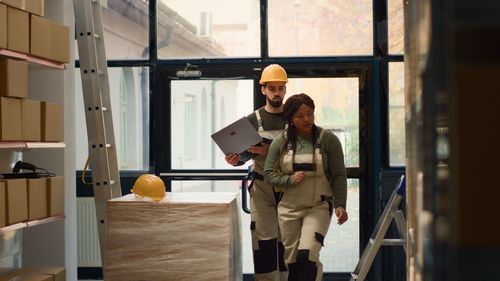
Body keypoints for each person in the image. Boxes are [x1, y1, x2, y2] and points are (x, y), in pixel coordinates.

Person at [263, 93, 348, 281]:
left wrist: (341, 204)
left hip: (318, 206)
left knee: (308, 255)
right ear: (290, 119)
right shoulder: (281, 142)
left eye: (309, 113)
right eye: (299, 116)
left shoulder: (328, 140)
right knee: (292, 262)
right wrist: (289, 180)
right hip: (288, 209)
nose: (306, 119)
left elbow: (339, 175)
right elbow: (268, 174)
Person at [225, 64, 289, 281]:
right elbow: (245, 154)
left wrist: (268, 150)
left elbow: (303, 153)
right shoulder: (253, 121)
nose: (277, 93)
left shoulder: (295, 118)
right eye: (272, 88)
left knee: (289, 241)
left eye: (281, 88)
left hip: (291, 188)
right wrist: (235, 160)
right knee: (264, 241)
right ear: (263, 90)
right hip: (262, 189)